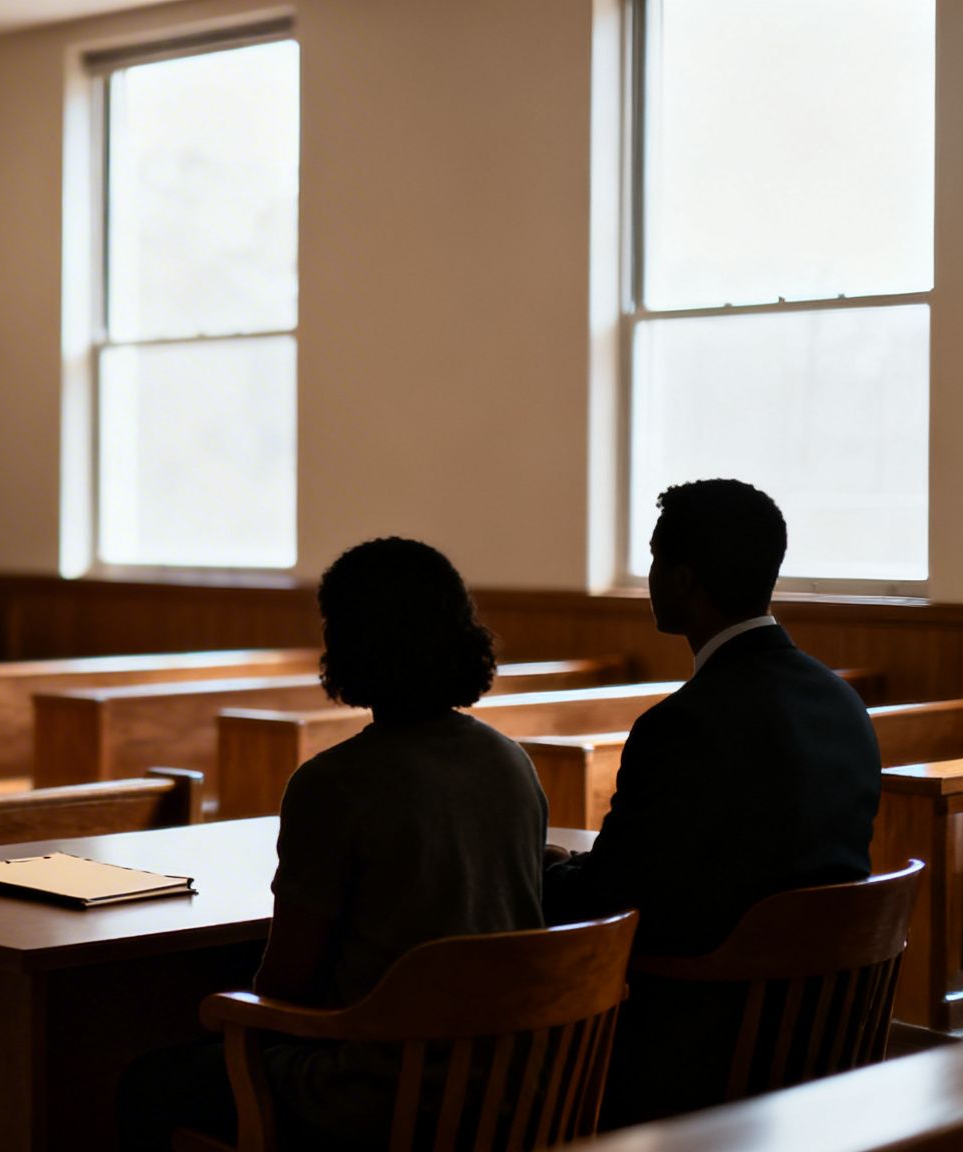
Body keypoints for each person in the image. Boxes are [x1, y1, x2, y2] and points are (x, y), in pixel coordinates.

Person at [117, 538, 548, 1151]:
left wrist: (220, 1014)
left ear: (349, 644)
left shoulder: (335, 783)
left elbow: (286, 986)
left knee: (147, 1081)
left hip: (378, 1094)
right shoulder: (512, 763)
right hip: (506, 1086)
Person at [542, 478, 880, 1126]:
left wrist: (540, 869)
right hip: (827, 1029)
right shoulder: (843, 704)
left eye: (653, 559)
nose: (648, 576)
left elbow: (612, 897)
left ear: (685, 581)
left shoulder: (681, 725)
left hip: (702, 1044)